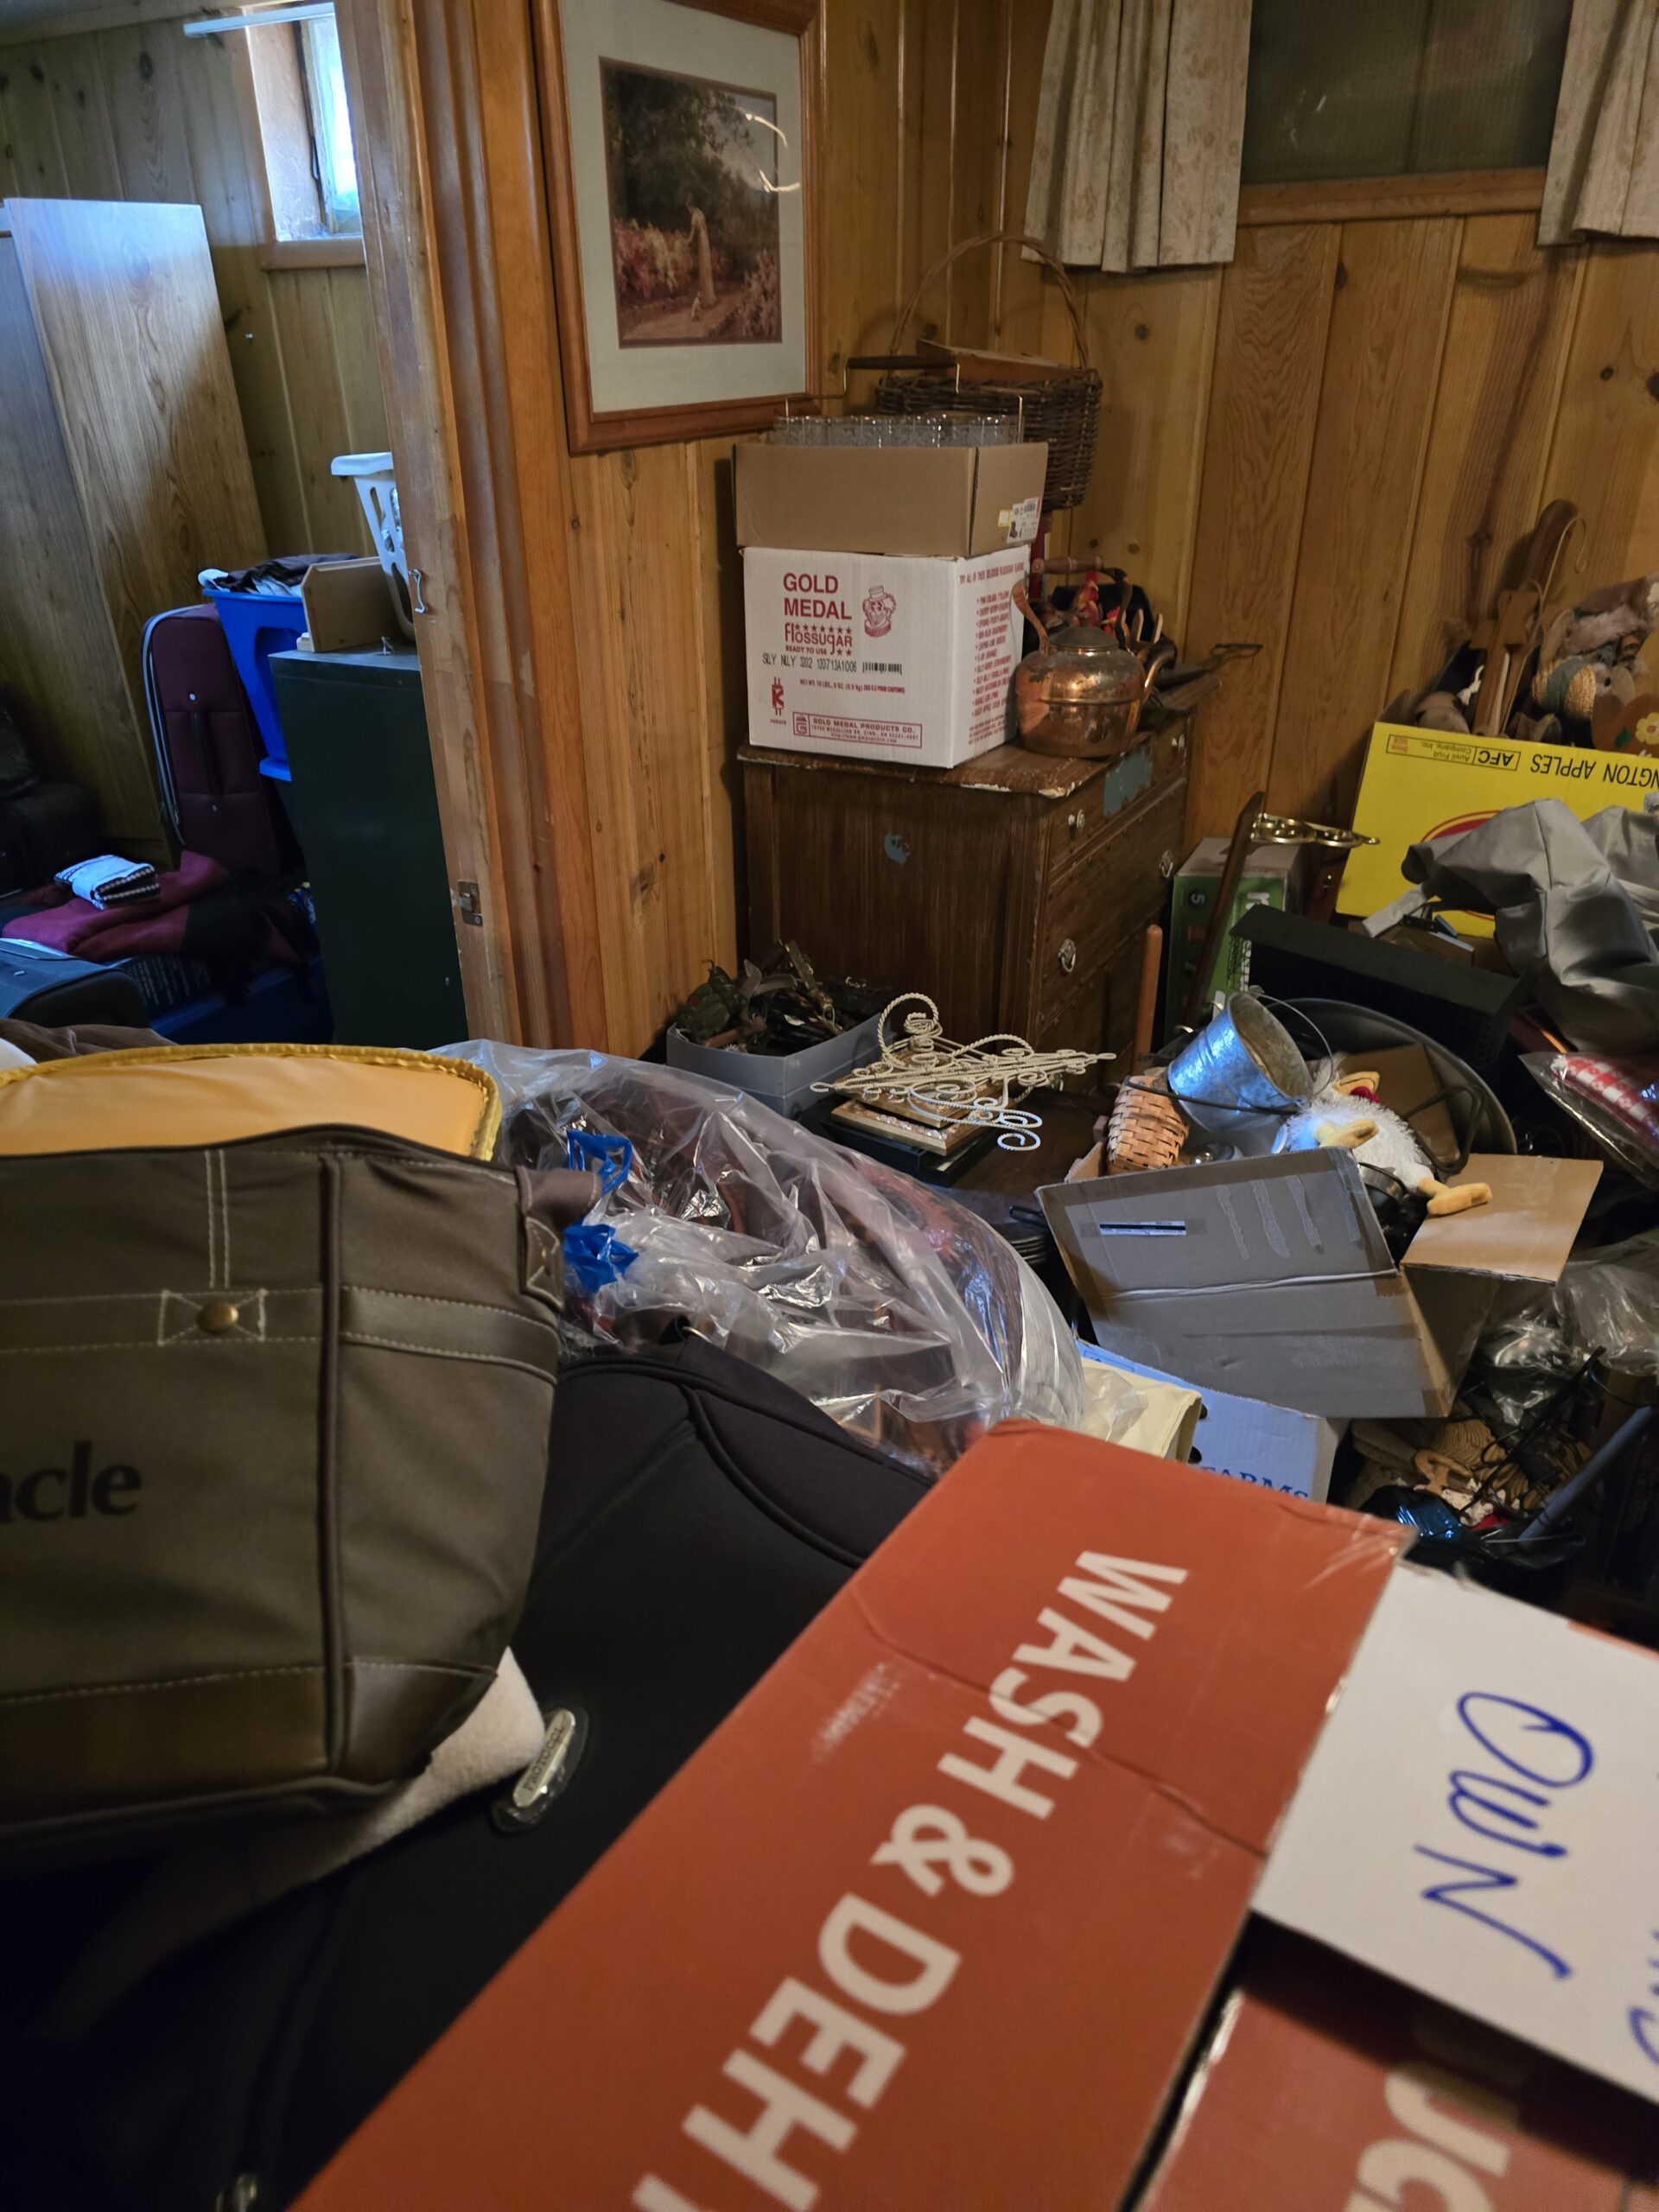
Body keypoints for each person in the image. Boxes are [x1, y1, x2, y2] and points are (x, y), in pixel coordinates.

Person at [687, 200, 715, 319]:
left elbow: (693, 233)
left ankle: (705, 299)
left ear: (690, 206)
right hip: (705, 240)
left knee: (703, 269)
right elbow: (705, 228)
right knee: (706, 269)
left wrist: (687, 241)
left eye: (688, 208)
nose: (688, 211)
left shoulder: (694, 215)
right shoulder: (701, 213)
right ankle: (708, 297)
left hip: (701, 240)